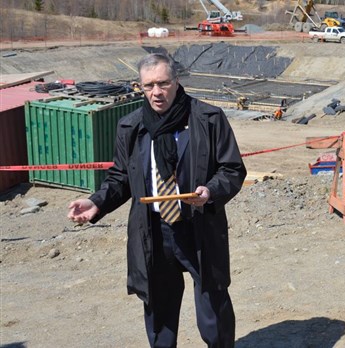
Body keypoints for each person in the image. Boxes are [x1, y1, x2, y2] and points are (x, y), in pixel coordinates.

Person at [67, 53, 247, 347]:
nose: (156, 92)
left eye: (163, 83)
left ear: (176, 82)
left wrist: (211, 191)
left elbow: (232, 169)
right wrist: (96, 202)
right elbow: (121, 178)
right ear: (140, 86)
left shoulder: (208, 118)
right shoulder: (131, 126)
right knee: (159, 313)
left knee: (213, 308)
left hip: (198, 227)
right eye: (149, 85)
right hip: (152, 230)